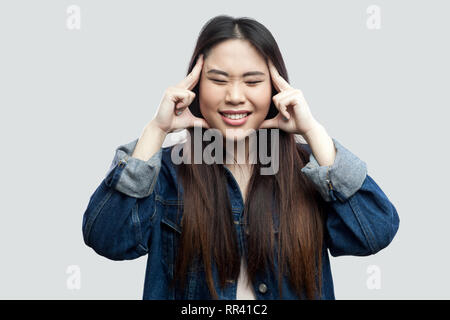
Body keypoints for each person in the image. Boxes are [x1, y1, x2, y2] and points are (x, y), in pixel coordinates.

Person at [82, 15, 400, 300]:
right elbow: (107, 239)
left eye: (252, 81)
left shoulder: (309, 169)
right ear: (194, 88)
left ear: (276, 89)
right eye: (218, 80)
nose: (235, 96)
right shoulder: (166, 172)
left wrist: (313, 131)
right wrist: (156, 129)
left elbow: (373, 233)